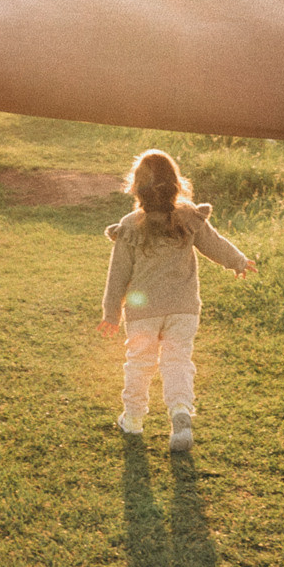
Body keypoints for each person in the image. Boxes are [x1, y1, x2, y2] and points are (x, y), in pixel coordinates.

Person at [98, 150, 254, 452]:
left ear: (136, 186)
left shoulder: (129, 225)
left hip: (144, 312)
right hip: (183, 309)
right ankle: (180, 414)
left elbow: (117, 274)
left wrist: (111, 313)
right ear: (175, 183)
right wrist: (239, 261)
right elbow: (214, 244)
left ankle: (133, 419)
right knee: (177, 360)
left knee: (139, 363)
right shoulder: (189, 216)